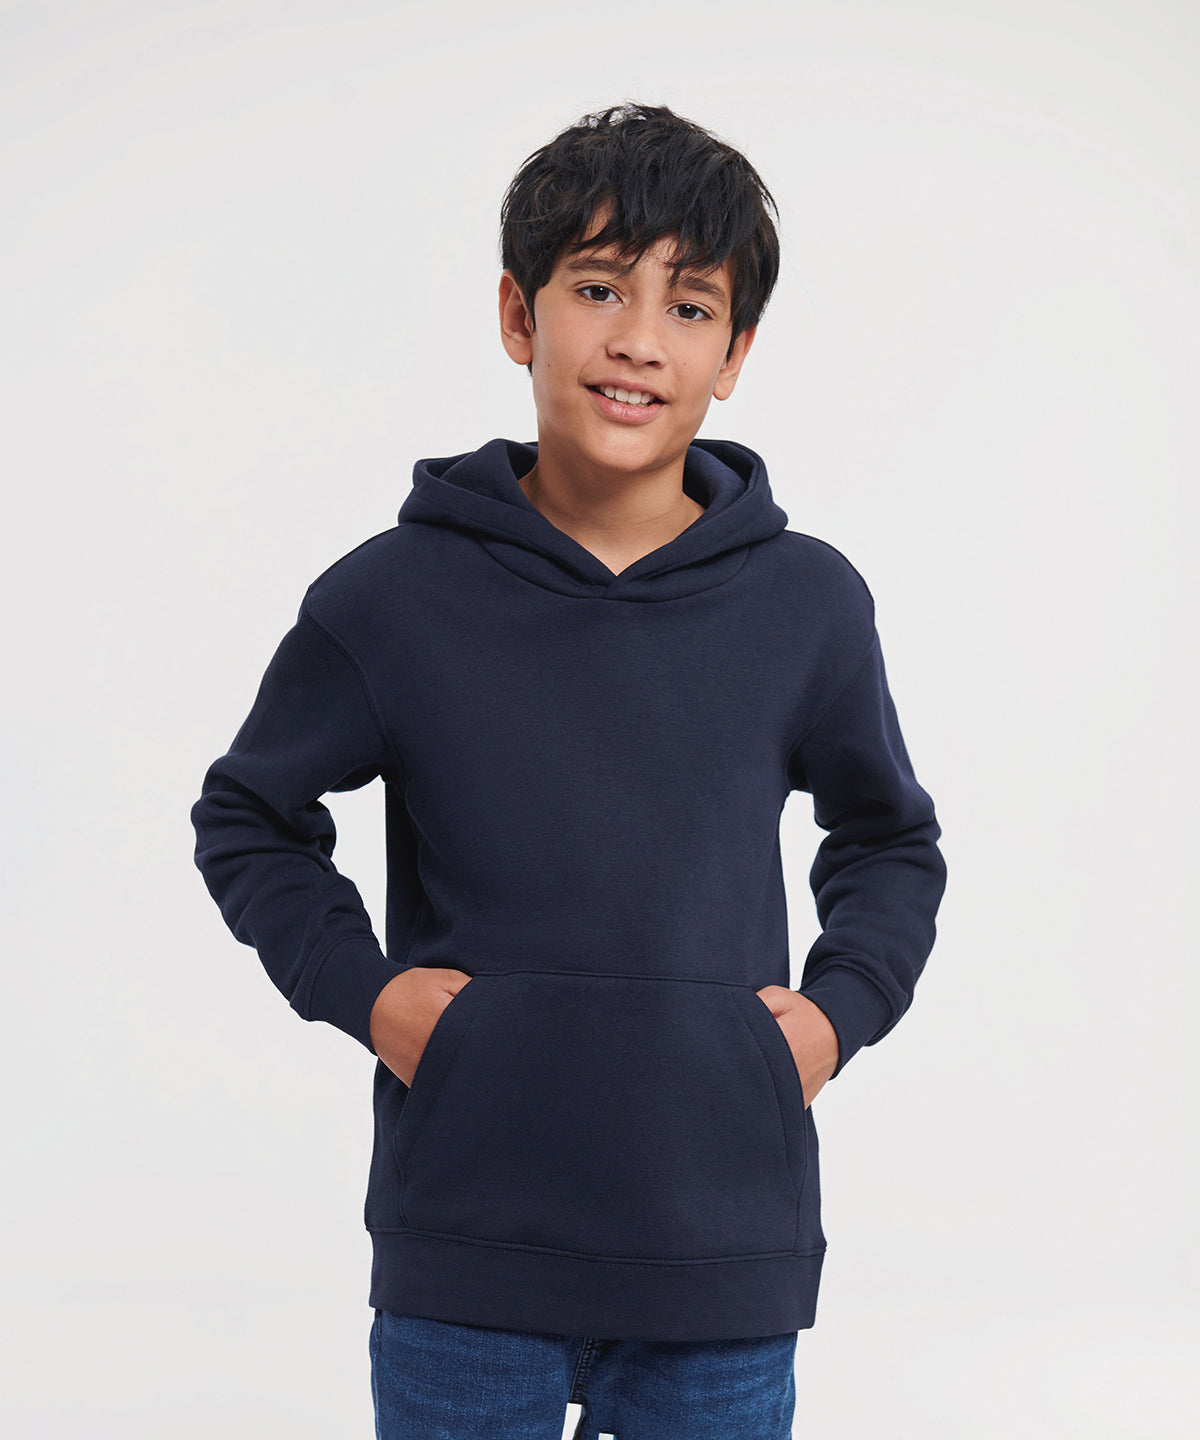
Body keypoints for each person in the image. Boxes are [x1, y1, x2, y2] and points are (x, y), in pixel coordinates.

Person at [191, 102, 947, 1440]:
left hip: (719, 1250)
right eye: (598, 289)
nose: (639, 339)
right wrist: (368, 994)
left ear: (735, 353)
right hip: (466, 1251)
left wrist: (837, 1015)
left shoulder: (807, 604)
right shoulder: (391, 599)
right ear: (517, 313)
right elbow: (249, 812)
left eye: (690, 307)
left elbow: (888, 838)